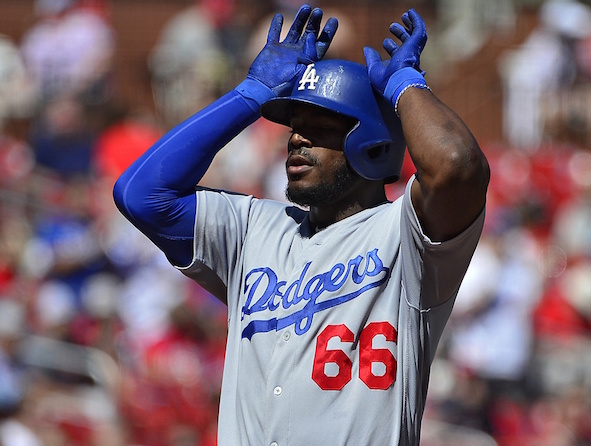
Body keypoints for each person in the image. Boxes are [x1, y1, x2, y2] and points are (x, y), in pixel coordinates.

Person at [113, 4, 490, 445]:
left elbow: (457, 165)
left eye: (320, 125)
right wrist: (250, 95)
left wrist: (406, 85)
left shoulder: (409, 238)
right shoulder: (253, 230)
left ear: (372, 144)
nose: (296, 137)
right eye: (294, 125)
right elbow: (140, 194)